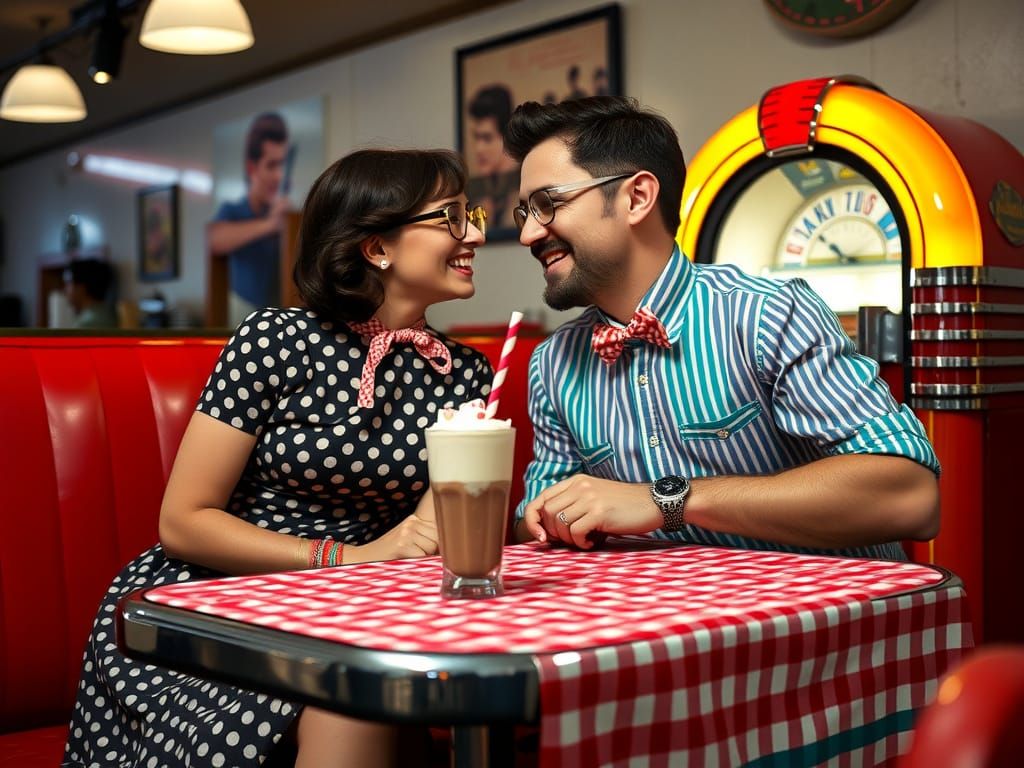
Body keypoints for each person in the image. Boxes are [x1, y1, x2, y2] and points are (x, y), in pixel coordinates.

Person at [63, 148, 491, 768]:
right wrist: (345, 559)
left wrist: (389, 565)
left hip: (362, 610)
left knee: (366, 688)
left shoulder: (463, 372)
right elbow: (183, 521)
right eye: (450, 217)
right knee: (353, 695)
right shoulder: (276, 340)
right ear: (378, 248)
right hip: (222, 604)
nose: (474, 233)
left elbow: (430, 534)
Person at [505, 96, 940, 560]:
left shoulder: (767, 315)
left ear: (636, 197)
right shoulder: (554, 362)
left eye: (548, 204)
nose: (528, 234)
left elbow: (911, 496)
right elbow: (537, 522)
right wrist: (544, 519)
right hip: (672, 621)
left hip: (836, 618)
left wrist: (666, 500)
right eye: (525, 212)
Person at [208, 112, 292, 325]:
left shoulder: (287, 216)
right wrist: (270, 225)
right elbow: (215, 240)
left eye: (282, 165)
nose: (278, 176)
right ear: (251, 168)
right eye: (271, 165)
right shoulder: (233, 210)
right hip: (241, 317)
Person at [465, 84, 519, 231]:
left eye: (487, 138)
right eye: (476, 138)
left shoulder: (525, 184)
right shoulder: (477, 189)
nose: (478, 149)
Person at [63, 258, 117, 328]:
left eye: (68, 283)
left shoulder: (87, 325)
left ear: (81, 288)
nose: (65, 289)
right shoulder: (108, 314)